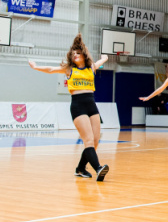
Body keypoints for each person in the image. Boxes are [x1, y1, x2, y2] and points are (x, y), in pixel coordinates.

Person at [29, 35, 109, 181]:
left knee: (95, 140)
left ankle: (80, 169)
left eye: (78, 53)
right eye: (73, 54)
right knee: (88, 140)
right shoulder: (69, 69)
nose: (75, 55)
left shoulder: (91, 68)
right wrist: (35, 67)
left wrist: (105, 58)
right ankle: (98, 168)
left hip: (91, 104)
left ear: (84, 55)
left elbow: (99, 62)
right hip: (78, 105)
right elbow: (51, 69)